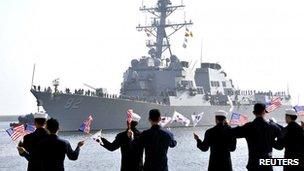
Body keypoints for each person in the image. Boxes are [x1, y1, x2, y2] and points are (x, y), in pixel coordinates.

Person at [231, 103, 282, 171]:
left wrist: (226, 125)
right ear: (264, 111)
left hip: (253, 165)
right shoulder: (273, 127)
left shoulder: (248, 127)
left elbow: (232, 133)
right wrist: (271, 141)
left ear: (254, 113)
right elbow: (280, 146)